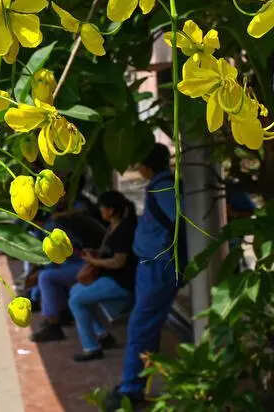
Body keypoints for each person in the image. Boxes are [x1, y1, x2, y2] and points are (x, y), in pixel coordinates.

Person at [107, 143, 178, 410]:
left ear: (147, 166)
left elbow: (179, 220)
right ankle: (141, 380)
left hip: (158, 265)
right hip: (151, 265)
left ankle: (131, 389)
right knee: (145, 325)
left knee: (141, 325)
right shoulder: (160, 185)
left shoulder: (164, 188)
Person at [68, 191, 138, 362]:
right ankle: (102, 334)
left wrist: (94, 261)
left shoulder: (124, 230)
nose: (100, 211)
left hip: (121, 282)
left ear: (111, 210)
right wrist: (96, 254)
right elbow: (110, 253)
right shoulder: (113, 226)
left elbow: (118, 262)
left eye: (102, 208)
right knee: (75, 292)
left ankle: (91, 348)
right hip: (110, 278)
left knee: (76, 300)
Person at [30, 212, 105, 342]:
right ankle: (100, 333)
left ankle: (54, 325)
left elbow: (61, 256)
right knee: (53, 279)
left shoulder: (51, 227)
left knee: (45, 277)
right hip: (85, 260)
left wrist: (36, 274)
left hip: (89, 263)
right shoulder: (52, 223)